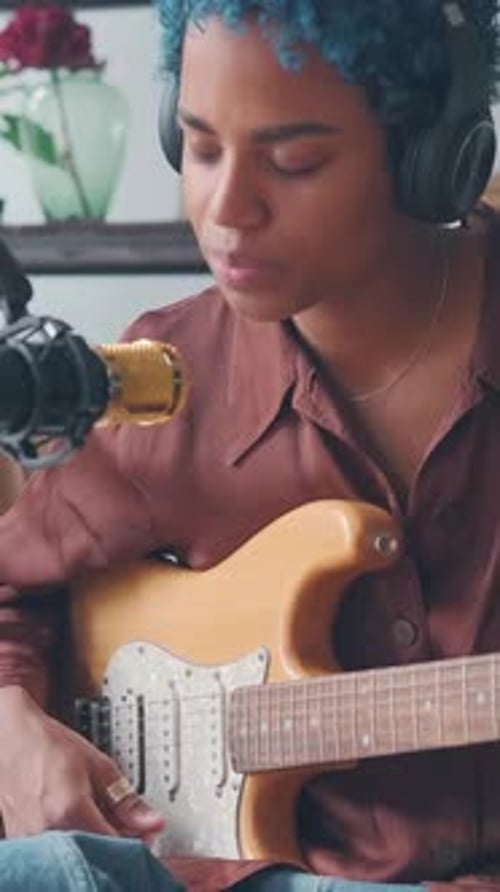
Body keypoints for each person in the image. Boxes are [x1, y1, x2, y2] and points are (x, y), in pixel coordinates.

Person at [0, 0, 499, 889]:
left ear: (431, 159)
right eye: (198, 148)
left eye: (293, 160)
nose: (226, 210)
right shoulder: (158, 377)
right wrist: (11, 723)